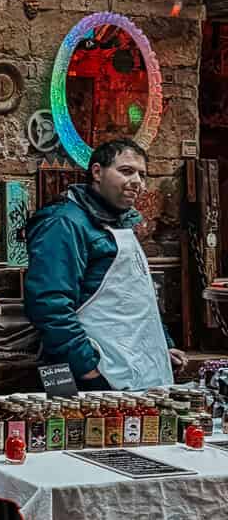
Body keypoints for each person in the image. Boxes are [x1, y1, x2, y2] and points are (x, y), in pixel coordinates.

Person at [24, 136, 185, 391]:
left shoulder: (122, 223)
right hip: (92, 377)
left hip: (134, 369)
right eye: (126, 171)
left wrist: (162, 345)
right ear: (97, 172)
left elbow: (135, 298)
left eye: (142, 175)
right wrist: (87, 370)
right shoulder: (63, 222)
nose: (137, 182)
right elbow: (49, 304)